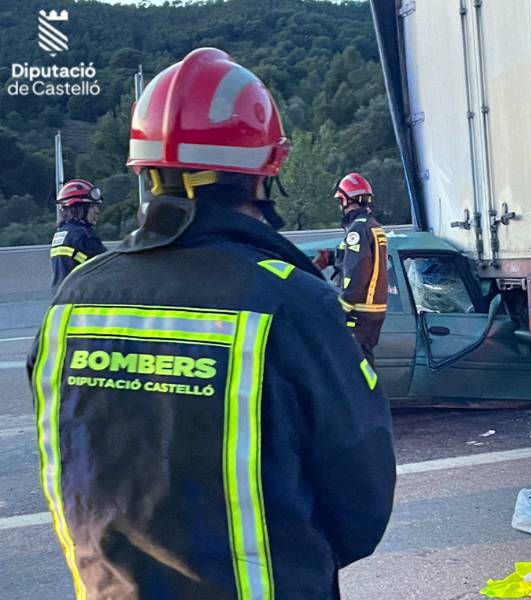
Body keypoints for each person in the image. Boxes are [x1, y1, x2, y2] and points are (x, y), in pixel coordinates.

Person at [28, 48, 395, 600]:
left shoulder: (70, 305)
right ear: (265, 171)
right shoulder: (291, 304)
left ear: (145, 169)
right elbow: (360, 505)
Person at [314, 173, 388, 366]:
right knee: (364, 366)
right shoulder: (371, 226)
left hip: (360, 312)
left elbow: (358, 271)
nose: (341, 205)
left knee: (351, 367)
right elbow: (357, 258)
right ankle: (371, 397)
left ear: (346, 198)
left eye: (341, 200)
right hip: (372, 311)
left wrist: (343, 307)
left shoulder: (357, 230)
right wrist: (330, 258)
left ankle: (367, 397)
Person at [50, 178, 106, 292]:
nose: (97, 211)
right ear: (78, 208)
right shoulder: (84, 235)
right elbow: (108, 267)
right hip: (83, 301)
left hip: (61, 300)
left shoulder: (61, 234)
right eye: (92, 206)